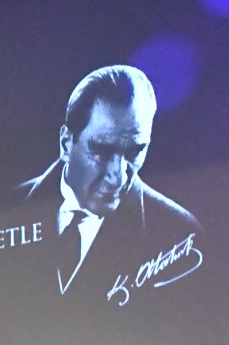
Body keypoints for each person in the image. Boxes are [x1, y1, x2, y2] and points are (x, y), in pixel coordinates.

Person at [18, 65, 200, 300]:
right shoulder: (9, 205)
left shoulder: (180, 234)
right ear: (65, 143)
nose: (119, 175)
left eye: (135, 151)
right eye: (102, 150)